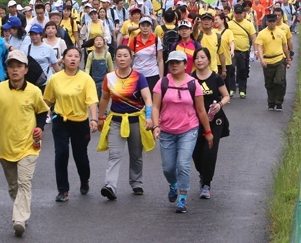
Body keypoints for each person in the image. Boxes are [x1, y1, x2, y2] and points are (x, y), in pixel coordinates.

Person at [0, 50, 49, 237]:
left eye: (19, 66)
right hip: (5, 147)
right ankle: (22, 209)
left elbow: (42, 112)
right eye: (11, 67)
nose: (15, 70)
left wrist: (40, 127)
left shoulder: (34, 91)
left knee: (24, 182)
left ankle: (19, 219)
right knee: (14, 187)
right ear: (7, 70)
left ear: (26, 69)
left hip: (29, 145)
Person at [151, 50, 212, 214]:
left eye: (178, 62)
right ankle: (174, 185)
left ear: (185, 64)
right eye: (171, 63)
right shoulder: (162, 83)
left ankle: (182, 198)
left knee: (182, 164)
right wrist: (156, 126)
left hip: (188, 130)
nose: (174, 65)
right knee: (168, 168)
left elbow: (201, 110)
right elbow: (155, 107)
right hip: (167, 131)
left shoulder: (193, 84)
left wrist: (208, 132)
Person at [96, 45, 154, 200]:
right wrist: (100, 118)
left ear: (131, 58)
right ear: (115, 58)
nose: (122, 59)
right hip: (116, 120)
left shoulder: (138, 77)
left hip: (136, 120)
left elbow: (148, 98)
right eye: (119, 56)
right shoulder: (109, 77)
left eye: (125, 56)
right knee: (114, 154)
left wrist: (149, 117)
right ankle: (110, 186)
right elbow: (104, 98)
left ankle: (136, 183)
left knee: (136, 155)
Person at [43, 47, 99, 203]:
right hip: (61, 120)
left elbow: (92, 101)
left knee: (80, 156)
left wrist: (94, 119)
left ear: (79, 60)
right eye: (69, 56)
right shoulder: (55, 79)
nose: (73, 59)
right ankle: (62, 190)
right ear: (63, 59)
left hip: (80, 122)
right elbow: (47, 100)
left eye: (76, 56)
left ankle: (84, 179)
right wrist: (38, 116)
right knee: (61, 154)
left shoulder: (86, 79)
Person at [190, 48, 230, 199]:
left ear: (208, 59)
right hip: (195, 119)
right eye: (197, 58)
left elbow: (226, 96)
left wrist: (219, 105)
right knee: (196, 152)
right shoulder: (190, 78)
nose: (199, 60)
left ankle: (206, 183)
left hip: (215, 120)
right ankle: (203, 174)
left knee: (210, 151)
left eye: (202, 57)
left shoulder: (216, 78)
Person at [254, 13, 291, 111]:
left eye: (273, 21)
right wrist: (262, 59)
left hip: (279, 60)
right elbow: (260, 47)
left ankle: (279, 101)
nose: (271, 23)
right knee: (269, 83)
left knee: (280, 81)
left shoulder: (281, 32)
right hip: (268, 61)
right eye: (269, 22)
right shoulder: (262, 34)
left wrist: (288, 59)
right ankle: (271, 102)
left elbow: (285, 46)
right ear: (266, 22)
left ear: (276, 21)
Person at [128, 16, 164, 91]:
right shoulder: (134, 40)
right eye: (143, 25)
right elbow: (129, 60)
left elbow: (160, 60)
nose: (145, 28)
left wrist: (161, 78)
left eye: (147, 26)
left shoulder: (156, 40)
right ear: (139, 27)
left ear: (151, 27)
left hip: (153, 74)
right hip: (137, 74)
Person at [228, 4, 256, 99]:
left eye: (240, 13)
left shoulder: (248, 24)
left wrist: (255, 51)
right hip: (232, 51)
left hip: (244, 51)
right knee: (231, 69)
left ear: (243, 13)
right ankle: (231, 88)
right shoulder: (229, 24)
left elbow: (253, 37)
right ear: (234, 13)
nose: (239, 15)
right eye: (237, 13)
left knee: (242, 71)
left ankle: (242, 90)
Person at [26, 24, 60, 90]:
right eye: (32, 35)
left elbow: (55, 64)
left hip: (46, 81)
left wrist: (62, 78)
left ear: (41, 35)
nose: (34, 37)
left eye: (36, 34)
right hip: (32, 82)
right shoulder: (26, 48)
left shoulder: (48, 48)